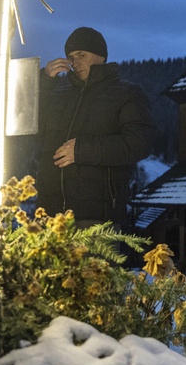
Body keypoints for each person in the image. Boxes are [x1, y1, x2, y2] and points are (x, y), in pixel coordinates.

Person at [35, 26, 156, 230]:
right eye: (71, 57)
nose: (75, 62)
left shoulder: (127, 93)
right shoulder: (58, 95)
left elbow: (140, 142)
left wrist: (82, 150)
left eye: (82, 55)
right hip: (49, 216)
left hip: (96, 220)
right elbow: (28, 127)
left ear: (101, 56)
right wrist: (44, 82)